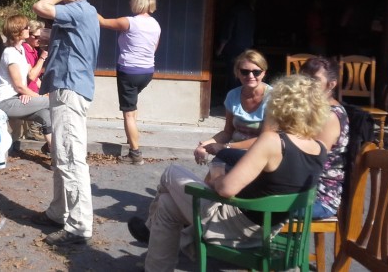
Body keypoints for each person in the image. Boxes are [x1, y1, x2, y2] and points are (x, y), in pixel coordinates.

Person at [135, 74, 328, 272]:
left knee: (171, 172)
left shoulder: (272, 142)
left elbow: (226, 189)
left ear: (280, 105)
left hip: (236, 229)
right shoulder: (320, 149)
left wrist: (217, 175)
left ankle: (149, 228)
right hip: (268, 229)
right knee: (167, 205)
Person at [31, 0, 100, 246]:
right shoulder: (83, 13)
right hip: (67, 88)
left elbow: (40, 6)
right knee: (62, 154)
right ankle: (58, 212)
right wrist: (48, 38)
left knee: (71, 157)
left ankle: (79, 226)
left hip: (70, 90)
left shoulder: (78, 8)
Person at [98, 0, 161, 165]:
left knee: (128, 114)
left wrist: (86, 7)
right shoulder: (155, 24)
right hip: (147, 71)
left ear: (136, 1)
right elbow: (153, 48)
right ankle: (131, 137)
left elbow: (102, 22)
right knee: (132, 107)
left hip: (128, 72)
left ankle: (135, 154)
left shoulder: (129, 22)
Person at [194, 49, 272, 165]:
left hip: (260, 154)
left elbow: (267, 139)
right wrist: (204, 146)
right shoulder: (233, 95)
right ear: (237, 73)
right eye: (245, 72)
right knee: (215, 172)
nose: (250, 76)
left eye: (256, 72)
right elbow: (228, 132)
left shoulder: (273, 98)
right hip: (233, 151)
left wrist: (225, 147)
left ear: (264, 73)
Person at [0, 14, 53, 153]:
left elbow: (28, 77)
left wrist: (27, 93)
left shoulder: (20, 51)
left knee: (45, 115)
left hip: (16, 98)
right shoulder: (10, 53)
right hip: (6, 102)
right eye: (26, 27)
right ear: (18, 31)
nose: (28, 29)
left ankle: (54, 153)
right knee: (52, 102)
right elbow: (19, 86)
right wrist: (38, 97)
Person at [300, 56, 349, 219]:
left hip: (319, 197)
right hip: (299, 186)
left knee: (255, 205)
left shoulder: (330, 116)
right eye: (304, 78)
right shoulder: (309, 108)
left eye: (314, 79)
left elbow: (313, 159)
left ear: (331, 84)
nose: (307, 84)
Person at [23, 20, 47, 94]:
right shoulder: (24, 51)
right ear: (28, 35)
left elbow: (36, 78)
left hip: (35, 90)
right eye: (36, 37)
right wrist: (42, 58)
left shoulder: (34, 51)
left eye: (41, 37)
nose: (39, 40)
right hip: (28, 93)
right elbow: (31, 76)